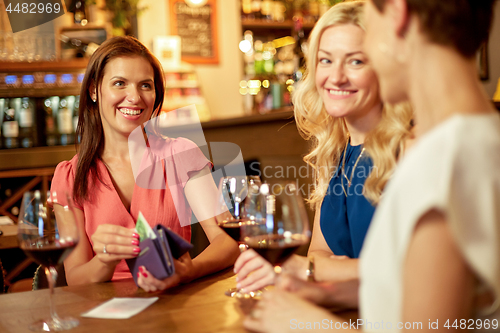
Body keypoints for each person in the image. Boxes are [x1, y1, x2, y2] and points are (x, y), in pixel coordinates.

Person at [244, 0, 500, 332]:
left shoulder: (440, 161)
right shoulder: (479, 138)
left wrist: (308, 325)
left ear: (396, 12)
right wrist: (330, 293)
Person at [234, 0, 413, 292]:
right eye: (326, 60)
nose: (336, 77)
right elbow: (319, 251)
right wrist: (316, 281)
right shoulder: (333, 153)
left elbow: (409, 271)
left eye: (356, 61)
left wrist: (308, 269)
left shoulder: (410, 150)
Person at [51, 36, 239, 291]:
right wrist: (105, 260)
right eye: (120, 83)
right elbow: (76, 277)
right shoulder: (70, 176)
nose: (135, 97)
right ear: (94, 90)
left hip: (173, 305)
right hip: (102, 318)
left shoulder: (181, 154)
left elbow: (226, 242)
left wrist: (188, 271)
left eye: (145, 86)